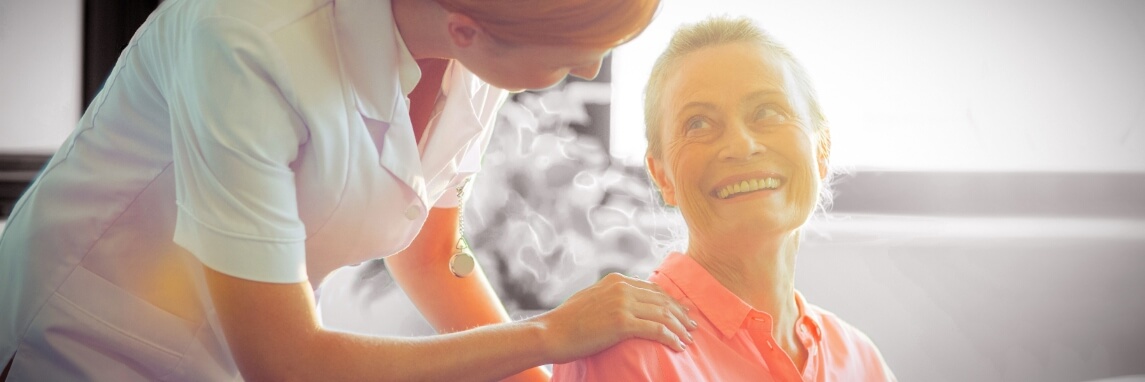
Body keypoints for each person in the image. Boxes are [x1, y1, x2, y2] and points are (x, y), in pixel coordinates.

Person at [0, 0, 702, 380]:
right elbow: (286, 362)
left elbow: (433, 254)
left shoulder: (475, 53)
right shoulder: (245, 38)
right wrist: (547, 336)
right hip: (80, 341)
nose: (588, 74)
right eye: (567, 63)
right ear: (466, 28)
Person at [552, 16, 897, 381]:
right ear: (662, 176)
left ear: (822, 149)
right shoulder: (625, 351)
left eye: (768, 112)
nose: (741, 145)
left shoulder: (861, 360)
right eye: (698, 123)